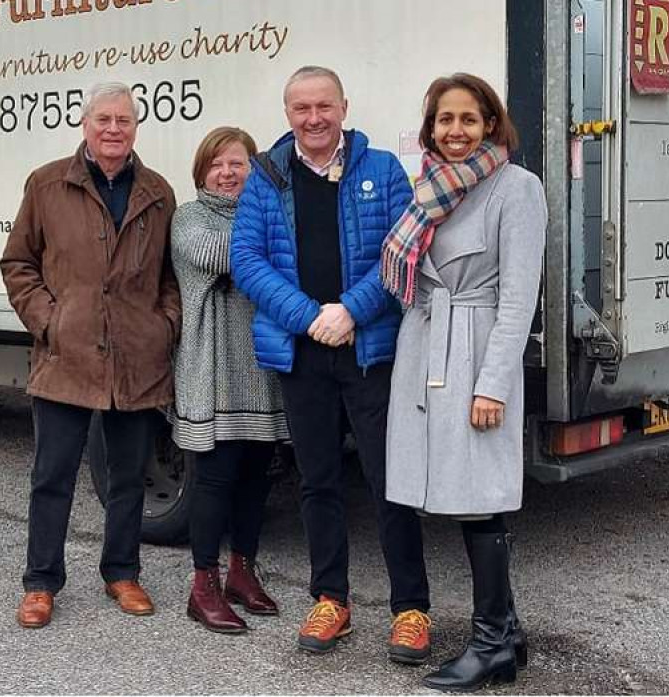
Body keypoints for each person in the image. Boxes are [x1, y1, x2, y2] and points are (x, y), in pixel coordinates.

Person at [231, 66, 431, 657]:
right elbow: (247, 260)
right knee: (317, 480)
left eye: (323, 106)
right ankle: (330, 600)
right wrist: (308, 316)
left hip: (368, 350)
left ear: (343, 106)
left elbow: (403, 251)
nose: (313, 118)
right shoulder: (267, 176)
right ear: (287, 113)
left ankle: (411, 609)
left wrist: (349, 311)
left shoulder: (382, 170)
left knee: (388, 479)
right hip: (301, 352)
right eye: (301, 109)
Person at [381, 73, 545, 691]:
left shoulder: (516, 188)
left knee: (481, 501)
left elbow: (517, 298)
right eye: (445, 120)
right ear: (431, 128)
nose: (456, 132)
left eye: (468, 120)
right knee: (463, 498)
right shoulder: (430, 189)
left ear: (492, 124)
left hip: (475, 354)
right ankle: (508, 631)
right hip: (426, 348)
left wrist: (492, 385)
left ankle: (492, 642)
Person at [0, 82, 180, 629]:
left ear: (136, 127)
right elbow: (18, 263)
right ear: (85, 124)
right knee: (51, 475)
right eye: (103, 119)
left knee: (128, 477)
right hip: (66, 357)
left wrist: (163, 325)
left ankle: (122, 572)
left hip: (136, 359)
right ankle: (40, 582)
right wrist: (48, 322)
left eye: (123, 121)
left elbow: (170, 277)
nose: (112, 129)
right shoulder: (48, 183)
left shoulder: (157, 192)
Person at [170, 127, 289, 634]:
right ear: (202, 171)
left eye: (238, 163)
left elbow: (277, 262)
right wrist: (270, 248)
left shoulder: (266, 214)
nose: (227, 172)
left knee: (255, 479)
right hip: (212, 369)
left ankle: (242, 571)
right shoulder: (187, 218)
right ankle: (203, 586)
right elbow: (221, 257)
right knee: (213, 482)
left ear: (252, 170)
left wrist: (269, 251)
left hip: (262, 370)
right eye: (217, 164)